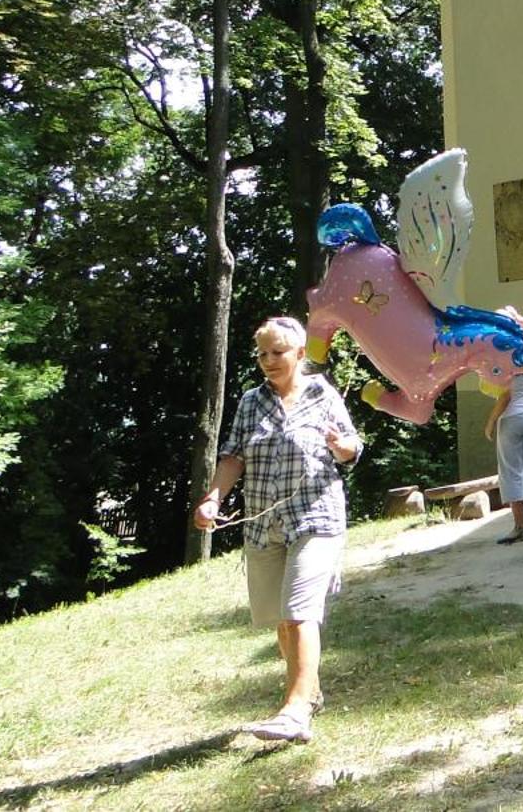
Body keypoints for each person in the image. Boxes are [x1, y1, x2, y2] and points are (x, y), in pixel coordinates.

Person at [194, 315, 363, 744]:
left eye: (278, 352)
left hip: (317, 518)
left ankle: (295, 709)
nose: (268, 360)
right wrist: (214, 497)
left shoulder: (323, 395)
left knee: (298, 610)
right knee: (282, 622)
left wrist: (339, 445)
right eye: (263, 353)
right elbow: (234, 456)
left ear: (301, 354)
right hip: (264, 523)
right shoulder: (252, 401)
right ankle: (312, 691)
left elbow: (352, 448)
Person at [484, 369, 523, 544]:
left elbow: (505, 396)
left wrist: (491, 422)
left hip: (511, 419)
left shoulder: (503, 357)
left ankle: (519, 526)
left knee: (511, 473)